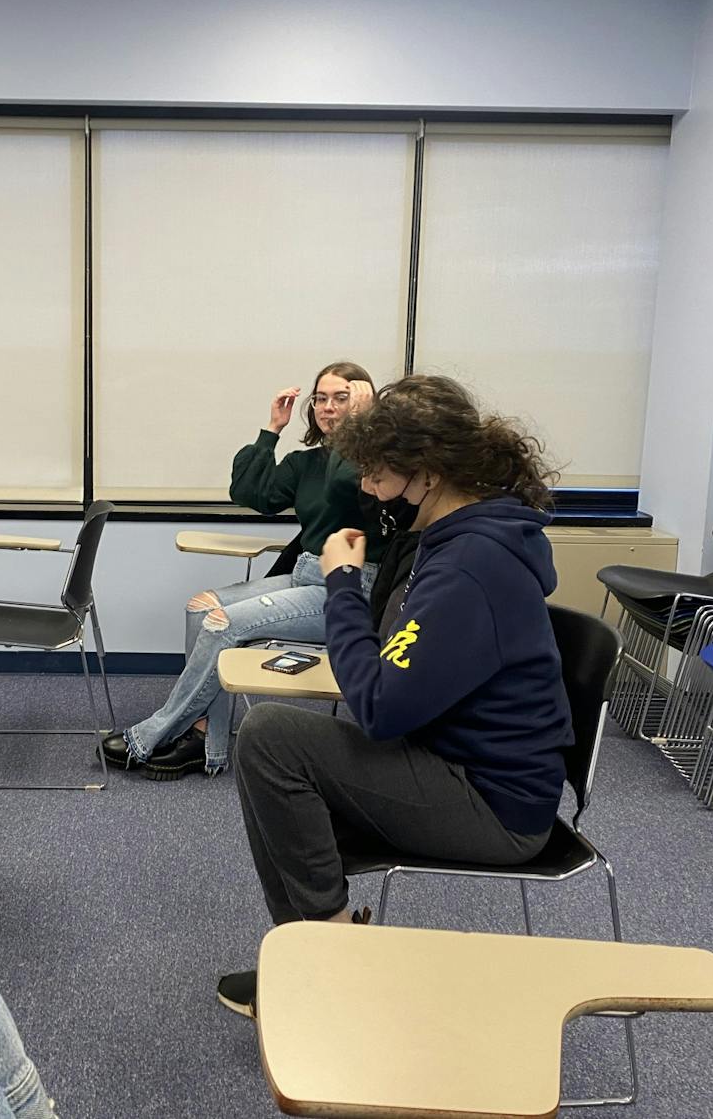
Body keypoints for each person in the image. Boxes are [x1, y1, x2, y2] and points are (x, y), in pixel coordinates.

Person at [216, 375, 572, 1017]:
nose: (368, 490)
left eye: (378, 476)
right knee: (270, 752)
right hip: (454, 762)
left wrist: (344, 583)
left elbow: (377, 707)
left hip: (494, 805)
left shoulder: (470, 565)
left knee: (271, 738)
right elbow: (388, 653)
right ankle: (311, 951)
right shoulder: (451, 539)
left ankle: (334, 962)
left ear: (427, 475)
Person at [103, 361, 394, 779]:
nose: (328, 408)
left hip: (350, 588)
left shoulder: (376, 467)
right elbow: (249, 492)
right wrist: (271, 430)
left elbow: (345, 488)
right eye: (321, 399)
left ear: (366, 402)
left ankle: (153, 734)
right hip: (306, 575)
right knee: (201, 608)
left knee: (222, 624)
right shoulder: (307, 462)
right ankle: (208, 741)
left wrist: (365, 430)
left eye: (342, 398)